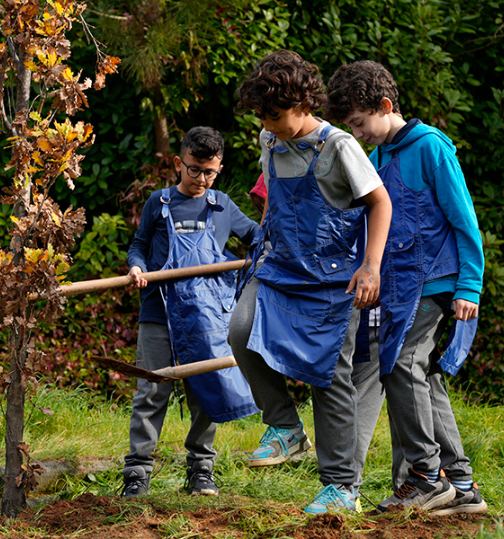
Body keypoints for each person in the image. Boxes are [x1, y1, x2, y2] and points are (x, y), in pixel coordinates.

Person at [228, 50, 392, 513]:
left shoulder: (339, 145)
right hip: (280, 264)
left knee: (329, 375)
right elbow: (274, 202)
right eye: (262, 116)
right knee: (240, 331)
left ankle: (341, 487)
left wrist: (371, 267)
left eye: (275, 115)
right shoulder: (269, 140)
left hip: (333, 276)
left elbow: (380, 204)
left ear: (302, 104)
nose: (269, 123)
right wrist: (258, 246)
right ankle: (285, 427)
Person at [326, 60, 488, 515]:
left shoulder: (432, 147)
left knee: (400, 365)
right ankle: (461, 482)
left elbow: (464, 220)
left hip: (437, 281)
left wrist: (470, 287)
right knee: (424, 376)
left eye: (359, 122)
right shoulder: (376, 160)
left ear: (384, 105)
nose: (357, 134)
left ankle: (425, 475)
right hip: (398, 290)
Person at [121, 127, 260, 498]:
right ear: (180, 162)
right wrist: (136, 267)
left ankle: (201, 471)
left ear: (219, 168)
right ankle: (137, 472)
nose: (201, 179)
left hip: (206, 316)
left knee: (204, 391)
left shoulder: (222, 206)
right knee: (151, 389)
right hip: (159, 312)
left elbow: (258, 239)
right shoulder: (159, 203)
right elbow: (138, 246)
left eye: (209, 172)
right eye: (194, 169)